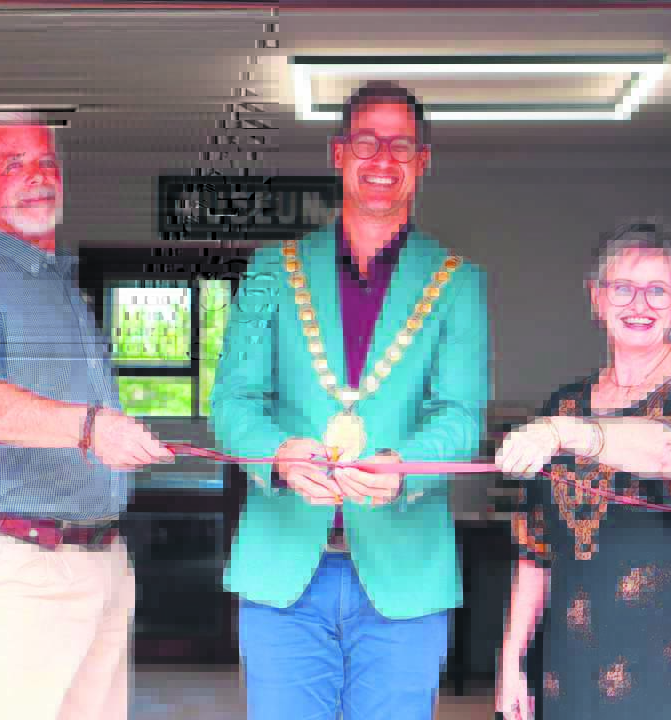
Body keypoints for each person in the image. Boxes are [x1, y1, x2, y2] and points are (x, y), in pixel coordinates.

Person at [209, 81, 489, 720]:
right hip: (283, 566)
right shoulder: (270, 271)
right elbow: (232, 402)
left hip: (406, 571)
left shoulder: (458, 283)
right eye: (367, 142)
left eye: (401, 146)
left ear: (422, 161)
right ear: (339, 153)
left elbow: (459, 417)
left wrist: (404, 467)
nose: (382, 159)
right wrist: (278, 454)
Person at [0, 110, 173, 720]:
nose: (38, 176)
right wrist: (90, 428)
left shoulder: (63, 288)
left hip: (99, 562)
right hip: (14, 565)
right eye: (14, 164)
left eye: (47, 163)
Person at [495, 221, 671, 720]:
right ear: (596, 298)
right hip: (576, 660)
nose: (640, 304)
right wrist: (512, 661)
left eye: (657, 290)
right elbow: (535, 547)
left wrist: (568, 434)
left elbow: (670, 450)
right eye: (623, 288)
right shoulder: (564, 403)